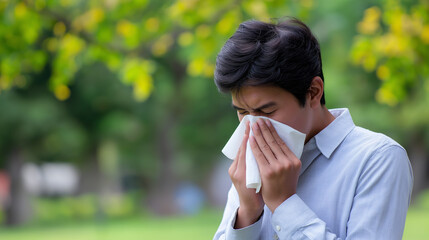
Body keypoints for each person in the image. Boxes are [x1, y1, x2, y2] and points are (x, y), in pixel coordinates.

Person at [212, 17, 413, 240]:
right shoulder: (250, 161)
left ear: (314, 92)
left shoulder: (377, 158)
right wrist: (246, 215)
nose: (254, 126)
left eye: (267, 111)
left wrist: (284, 204)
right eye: (242, 112)